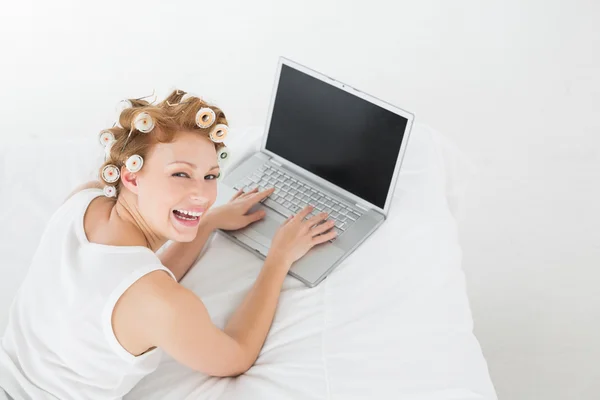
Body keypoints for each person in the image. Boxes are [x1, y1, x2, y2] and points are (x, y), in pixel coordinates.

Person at [0, 90, 337, 400]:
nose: (203, 195)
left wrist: (207, 223)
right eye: (180, 174)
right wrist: (278, 258)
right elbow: (235, 355)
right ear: (132, 177)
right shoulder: (160, 301)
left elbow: (132, 288)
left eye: (210, 176)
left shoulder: (84, 199)